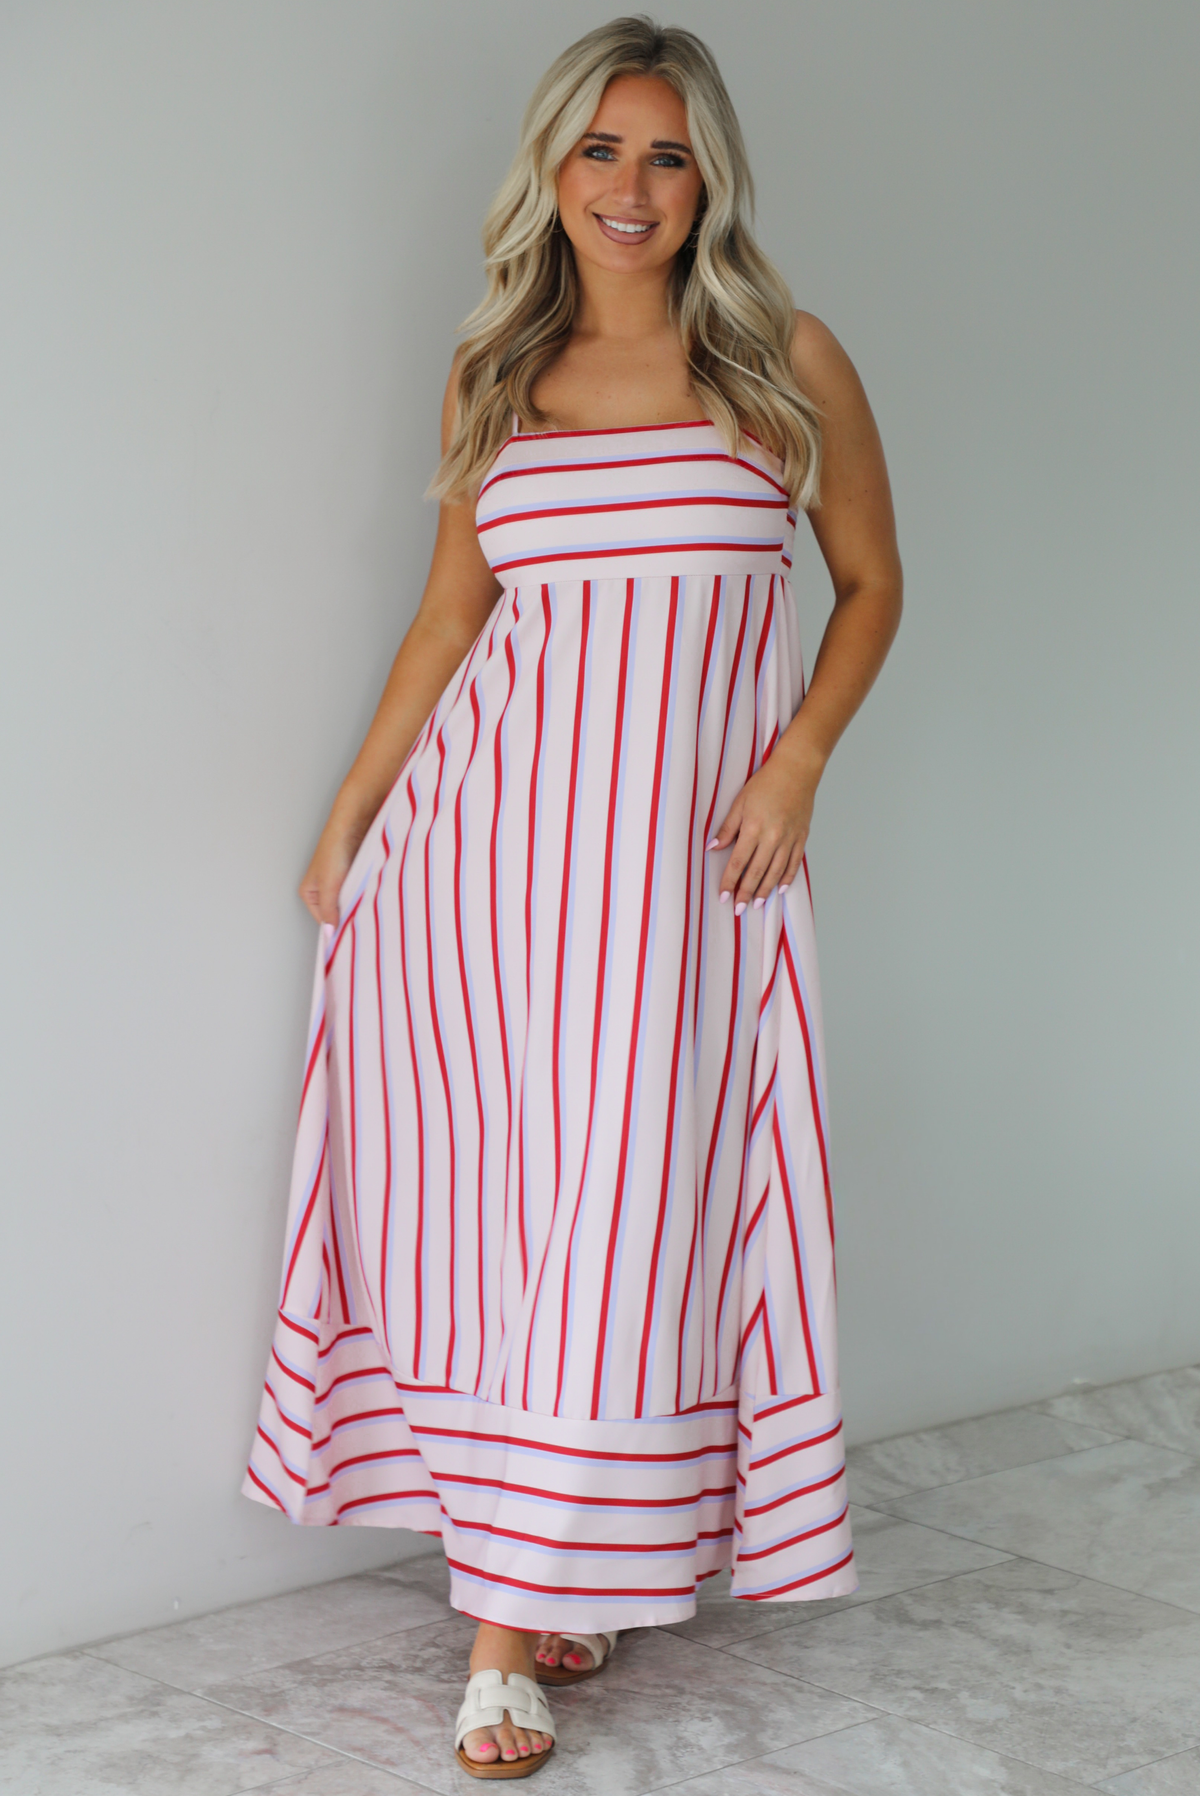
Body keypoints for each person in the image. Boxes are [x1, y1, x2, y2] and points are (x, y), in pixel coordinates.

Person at [244, 15, 901, 1779]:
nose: (631, 185)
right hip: (482, 872)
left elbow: (870, 585)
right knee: (508, 1223)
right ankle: (547, 1586)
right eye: (601, 149)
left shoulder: (786, 362)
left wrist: (797, 764)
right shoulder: (499, 375)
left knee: (626, 1222)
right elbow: (451, 617)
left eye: (667, 154)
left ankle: (512, 1625)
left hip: (685, 881)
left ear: (712, 180)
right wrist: (353, 815)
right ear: (550, 169)